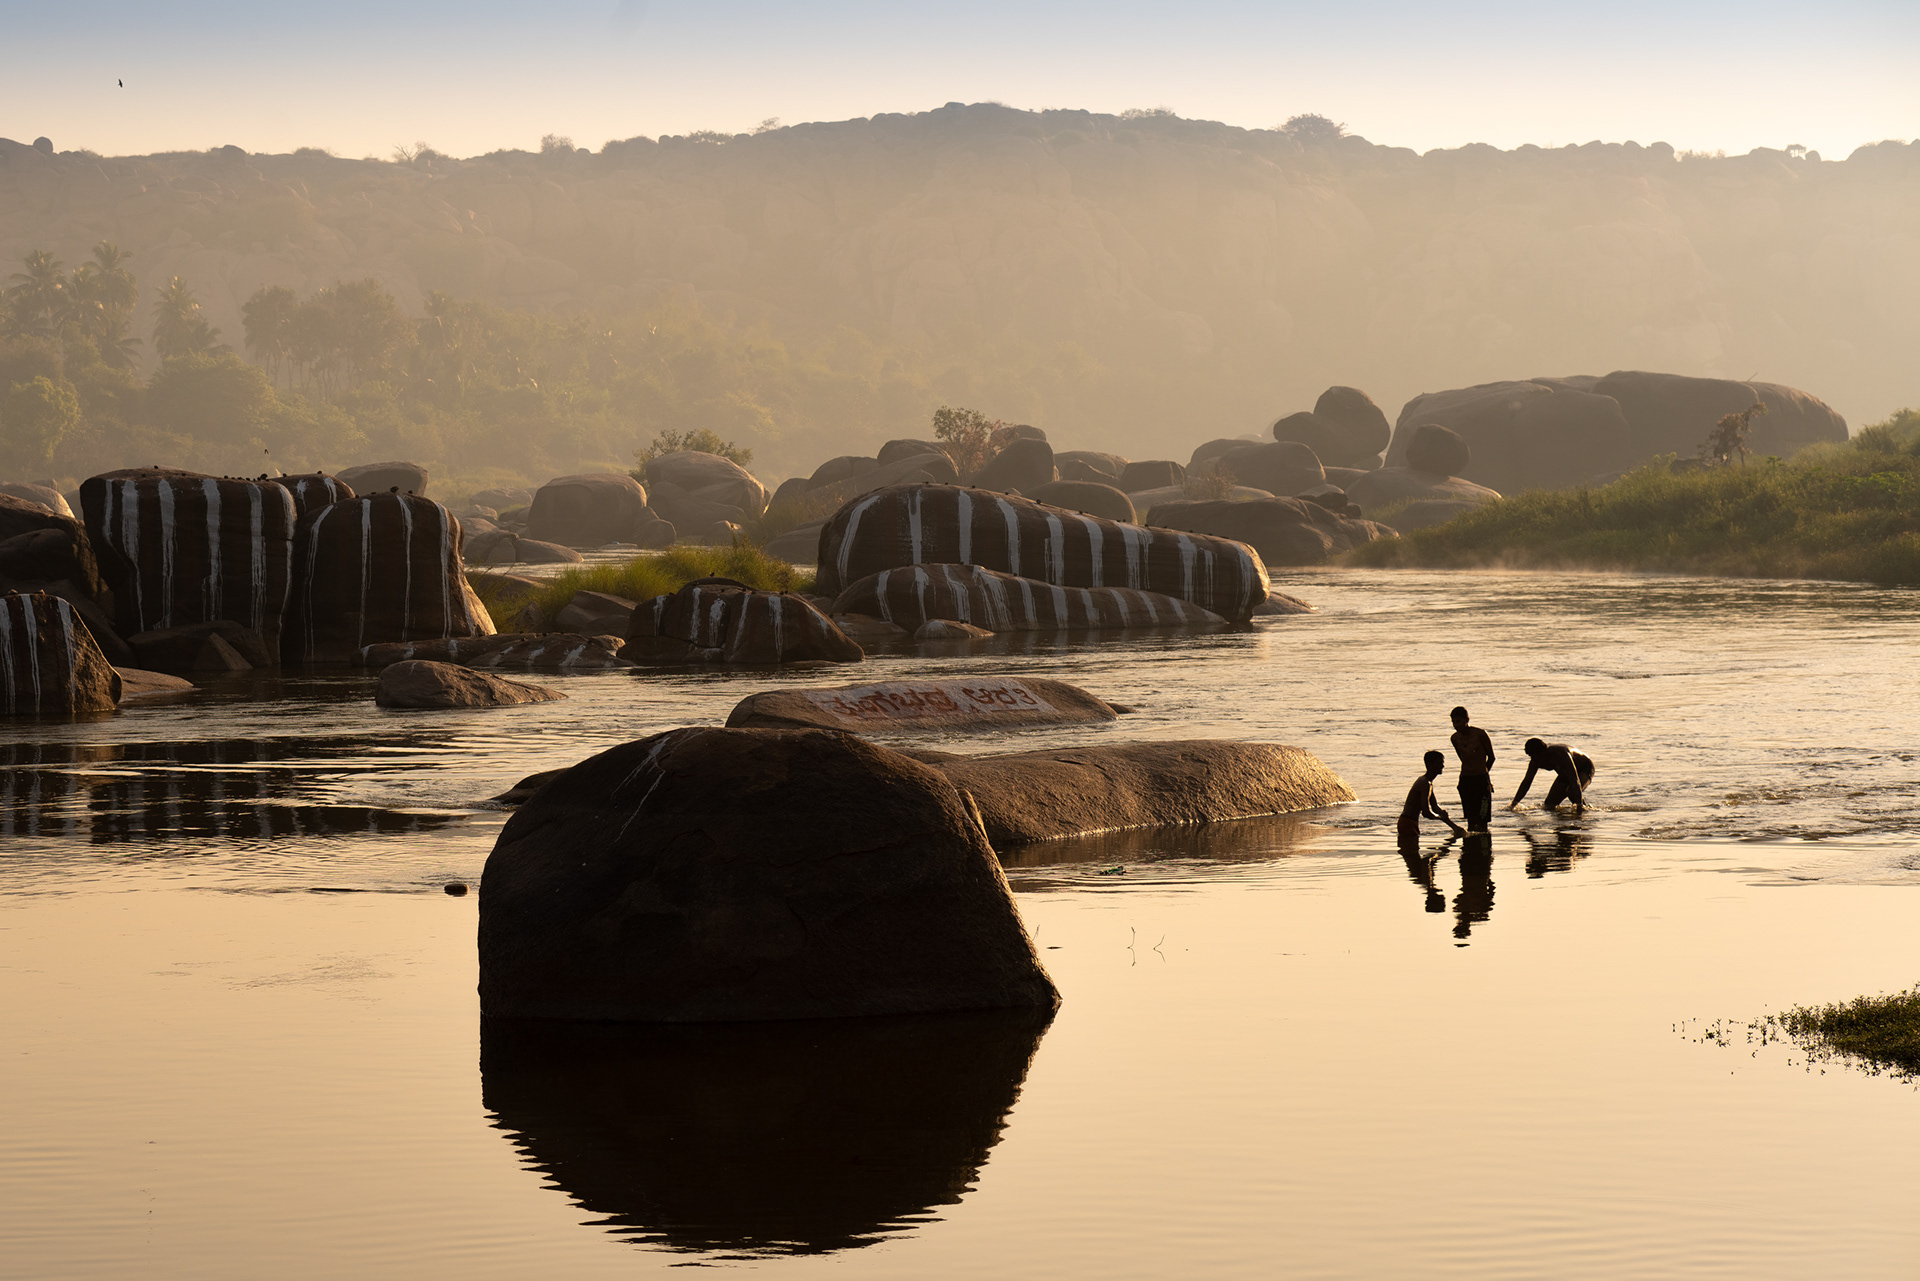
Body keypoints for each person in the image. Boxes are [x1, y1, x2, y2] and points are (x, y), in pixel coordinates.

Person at [1509, 738, 1595, 814]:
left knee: (1571, 792)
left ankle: (1584, 812)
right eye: (1530, 756)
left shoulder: (1560, 754)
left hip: (1585, 767)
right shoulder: (1534, 761)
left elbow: (1574, 780)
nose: (1533, 759)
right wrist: (1513, 804)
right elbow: (1526, 782)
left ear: (1543, 752)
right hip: (1564, 772)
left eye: (1535, 756)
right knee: (1549, 805)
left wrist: (1579, 807)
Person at [1400, 750, 1467, 844]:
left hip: (1411, 822)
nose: (1442, 766)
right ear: (1429, 764)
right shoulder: (1424, 783)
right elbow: (1426, 812)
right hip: (1407, 823)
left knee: (1416, 856)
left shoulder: (1429, 783)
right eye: (1439, 763)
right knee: (1412, 854)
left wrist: (1453, 826)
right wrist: (1440, 818)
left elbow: (1435, 807)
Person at [1449, 706, 1495, 833]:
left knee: (1483, 817)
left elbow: (1491, 757)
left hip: (1481, 779)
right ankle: (1471, 849)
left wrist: (1485, 776)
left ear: (1466, 720)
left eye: (1458, 721)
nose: (1455, 725)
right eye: (1453, 722)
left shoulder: (1480, 734)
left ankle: (1484, 849)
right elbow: (1463, 759)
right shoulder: (1455, 738)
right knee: (1470, 817)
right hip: (1465, 779)